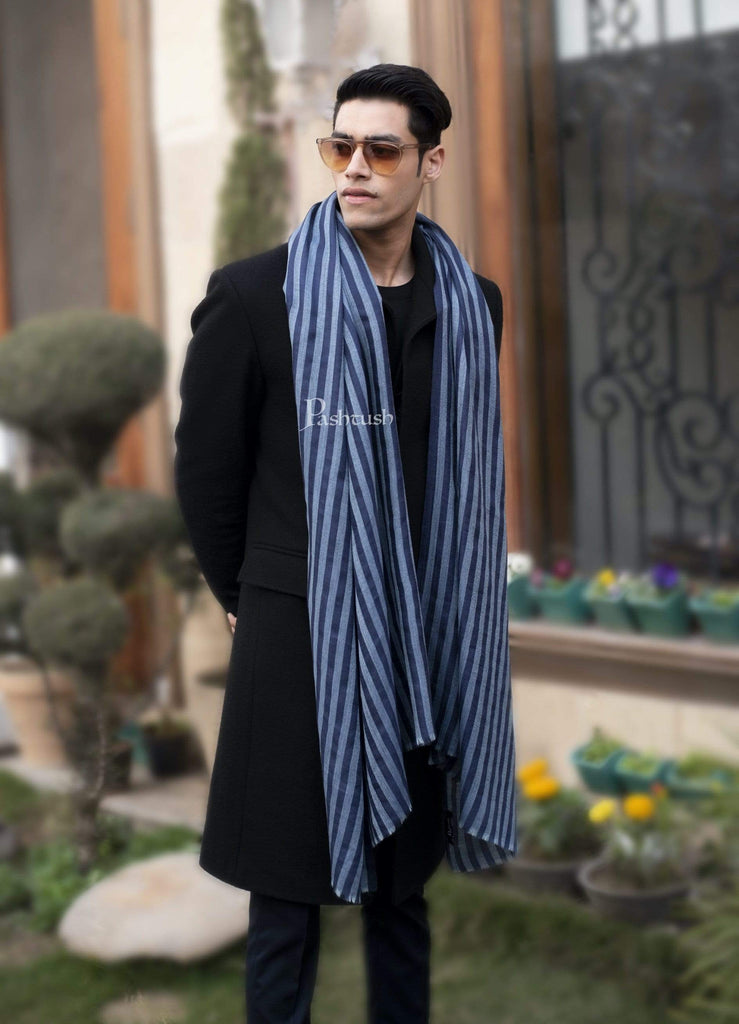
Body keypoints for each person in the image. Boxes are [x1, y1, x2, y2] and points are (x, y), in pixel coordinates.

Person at [173, 62, 517, 1024]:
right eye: (340, 146)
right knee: (287, 897)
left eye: (382, 150)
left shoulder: (472, 302)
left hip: (427, 627)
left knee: (401, 892)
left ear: (431, 162)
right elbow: (206, 472)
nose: (355, 167)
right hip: (299, 630)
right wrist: (243, 594)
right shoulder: (255, 296)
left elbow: (460, 470)